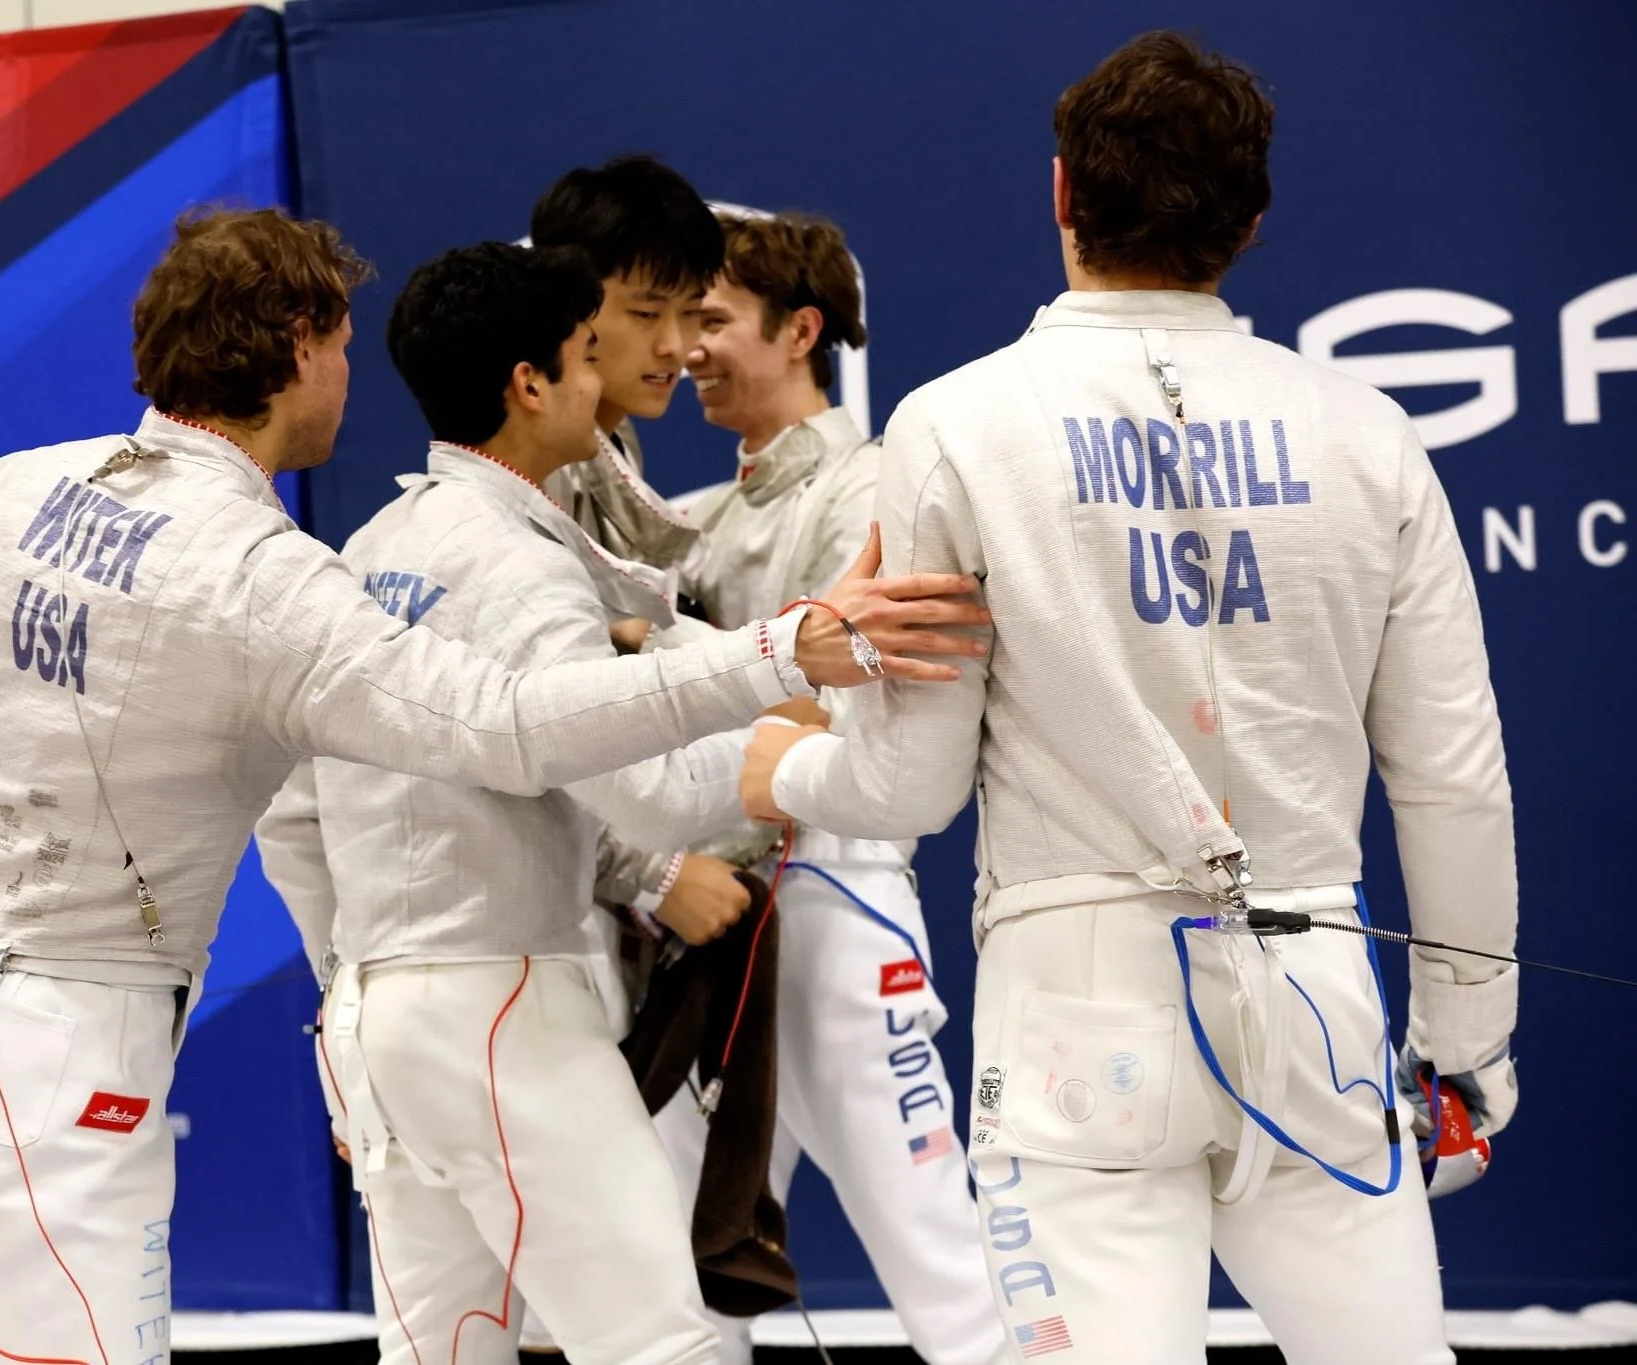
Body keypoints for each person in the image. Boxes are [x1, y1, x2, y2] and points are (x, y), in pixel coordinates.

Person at [0, 207, 981, 1365]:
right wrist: (773, 659)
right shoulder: (267, 581)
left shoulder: (20, 490)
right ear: (291, 349)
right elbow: (513, 728)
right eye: (332, 340)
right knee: (665, 1341)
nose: (346, 370)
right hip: (109, 1023)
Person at [740, 32, 1517, 1365]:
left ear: (1061, 193)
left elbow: (912, 785)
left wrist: (781, 772)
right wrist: (1468, 1050)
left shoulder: (957, 422)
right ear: (1252, 219)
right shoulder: (1369, 433)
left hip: (1075, 1011)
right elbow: (1453, 778)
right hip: (1320, 989)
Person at [261, 242, 977, 1365]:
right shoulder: (520, 564)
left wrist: (344, 1002)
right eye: (593, 353)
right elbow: (639, 787)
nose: (633, 375)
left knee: (444, 1351)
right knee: (663, 1345)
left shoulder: (367, 550)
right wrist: (766, 739)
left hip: (384, 1010)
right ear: (530, 383)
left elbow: (294, 813)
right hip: (511, 997)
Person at [625, 209, 1004, 1365]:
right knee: (679, 1262)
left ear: (799, 331)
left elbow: (842, 707)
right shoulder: (701, 515)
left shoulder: (878, 487)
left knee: (933, 1247)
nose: (688, 347)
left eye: (713, 320)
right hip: (719, 915)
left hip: (836, 896)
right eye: (679, 320)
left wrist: (657, 653)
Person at [529, 155, 762, 960]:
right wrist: (654, 873)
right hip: (523, 922)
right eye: (645, 311)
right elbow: (530, 719)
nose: (676, 346)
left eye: (692, 313)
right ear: (569, 301)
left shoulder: (610, 440)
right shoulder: (536, 457)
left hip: (580, 907)